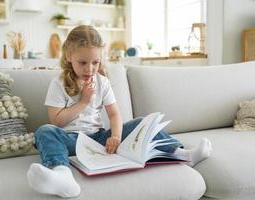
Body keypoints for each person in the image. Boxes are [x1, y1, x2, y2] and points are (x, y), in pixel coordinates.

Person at [27, 25, 212, 198]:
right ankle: (62, 176)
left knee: (141, 122)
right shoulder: (58, 84)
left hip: (97, 139)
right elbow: (56, 121)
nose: (89, 69)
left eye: (95, 62)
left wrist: (115, 136)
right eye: (82, 62)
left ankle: (183, 155)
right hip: (69, 141)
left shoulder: (102, 82)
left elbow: (114, 114)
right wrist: (83, 101)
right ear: (68, 56)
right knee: (44, 131)